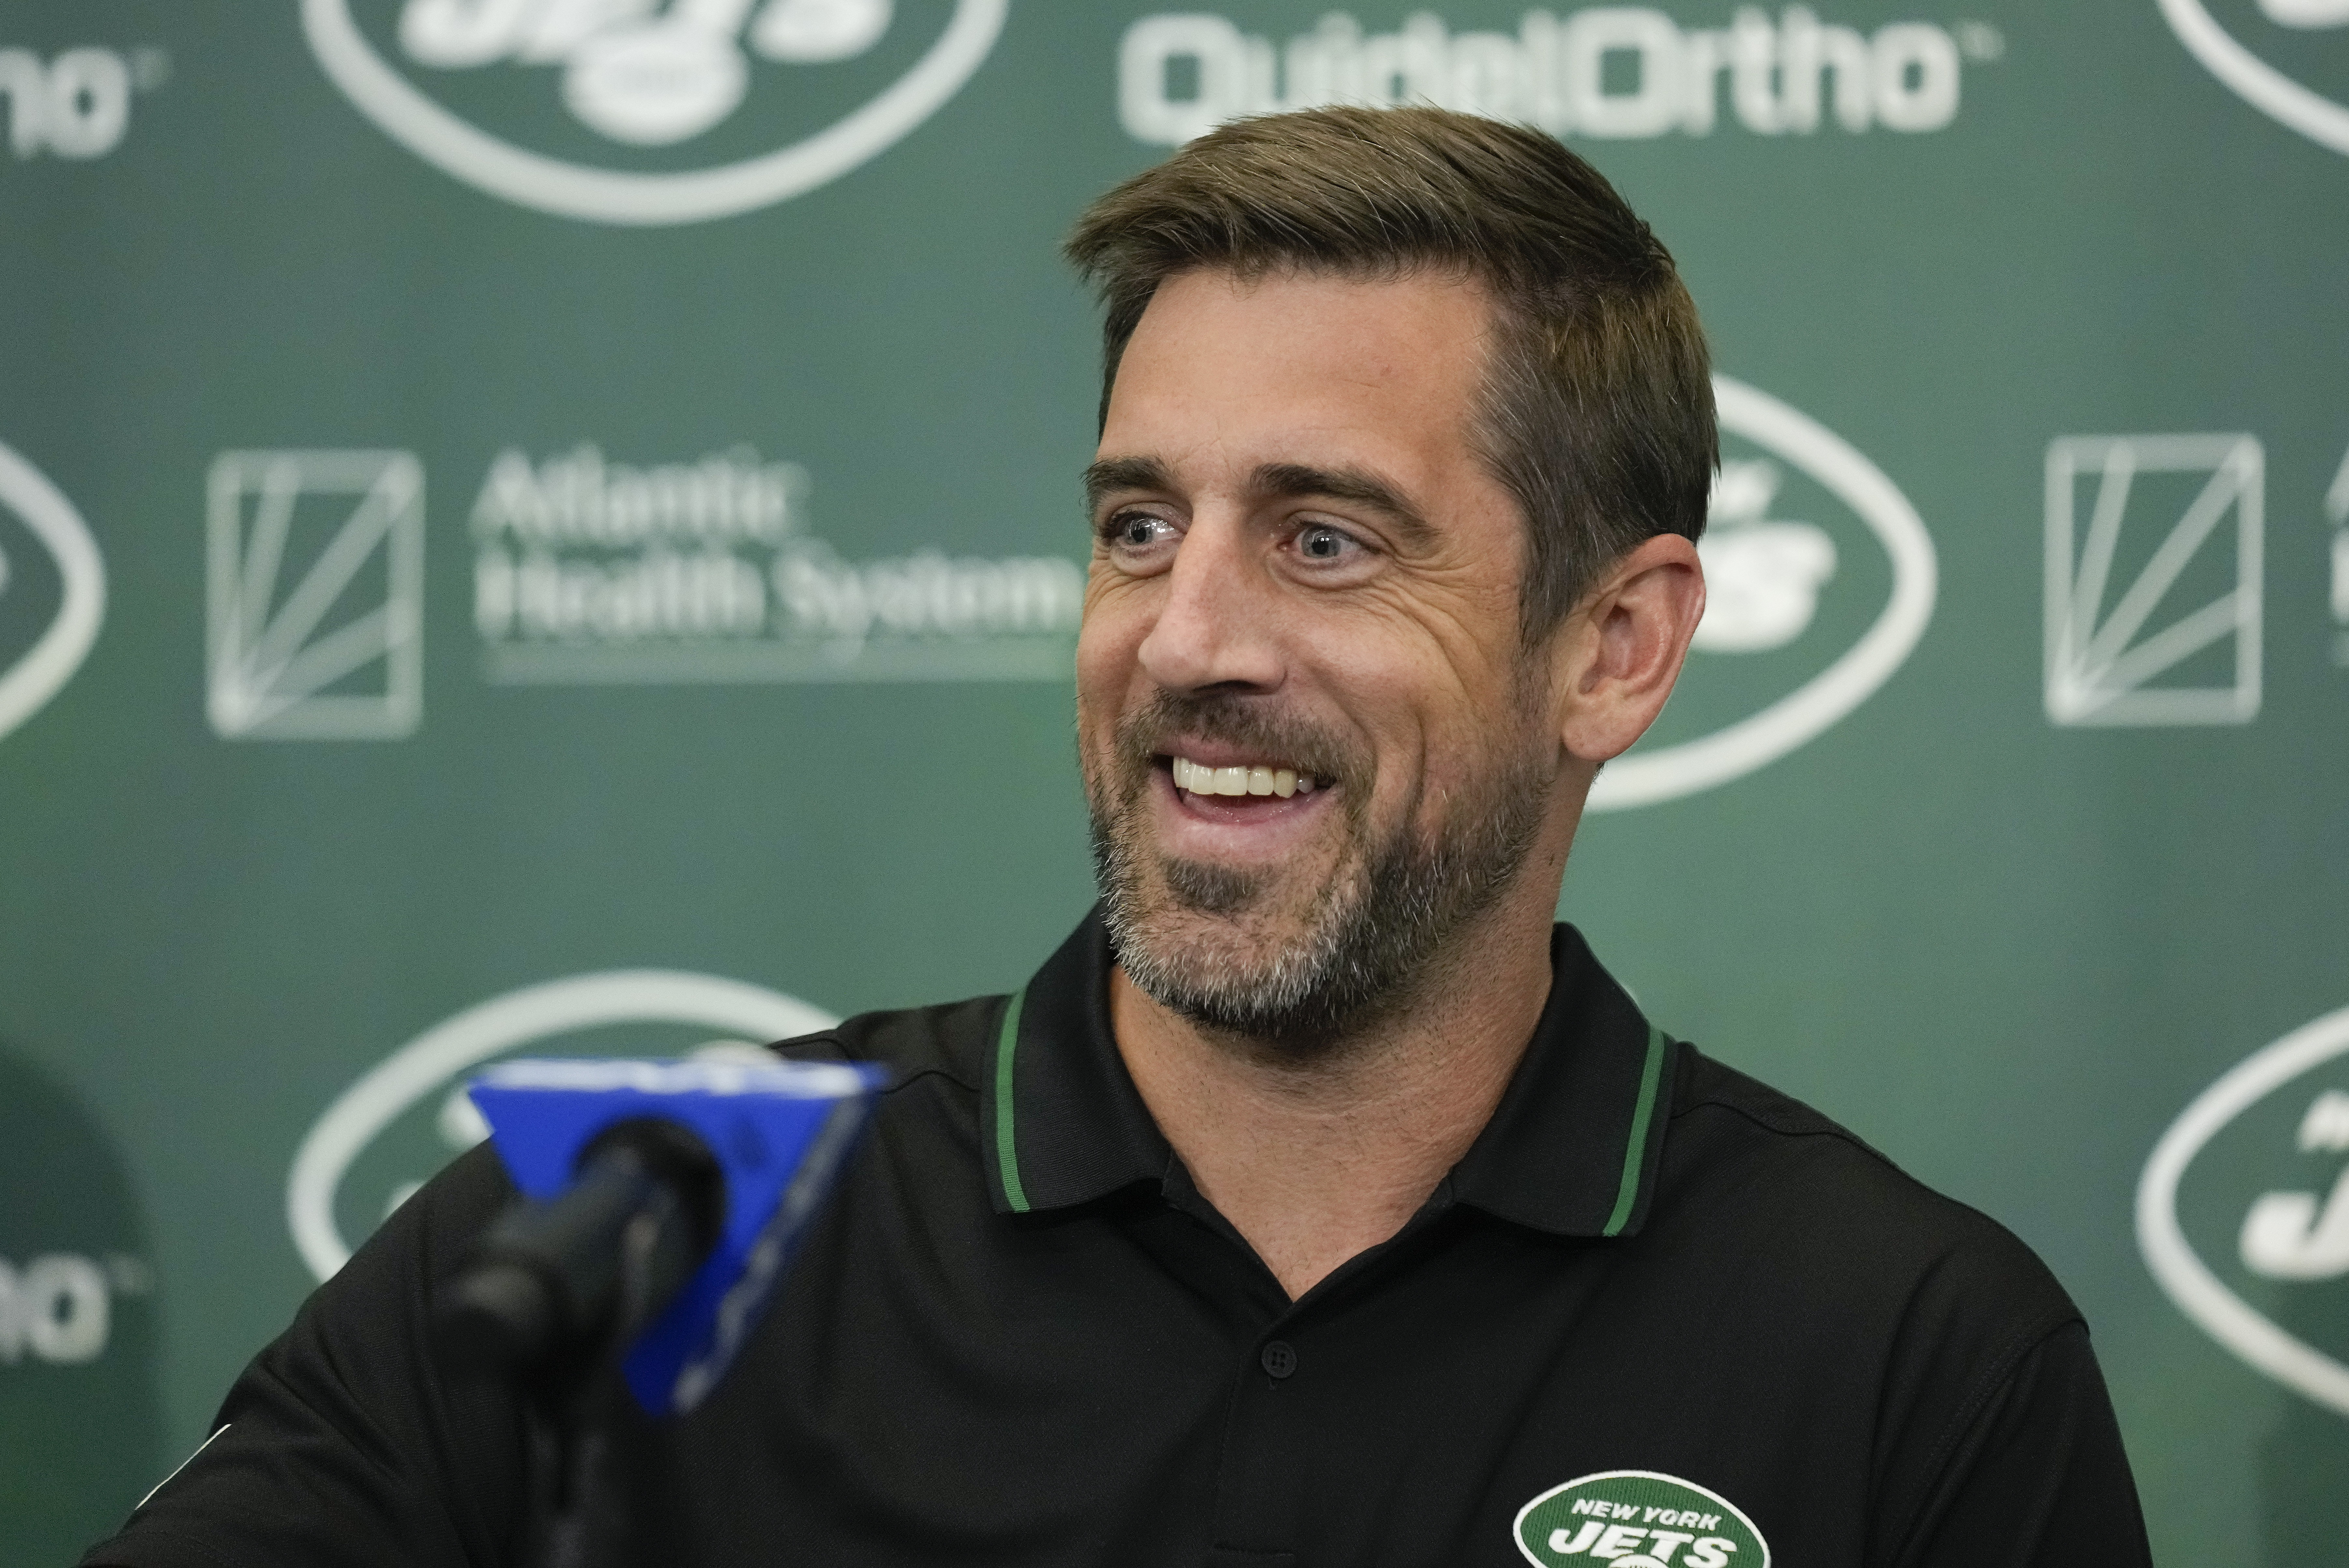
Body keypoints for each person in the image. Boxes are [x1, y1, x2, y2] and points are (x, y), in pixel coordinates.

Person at [85, 107, 2150, 1568]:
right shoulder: (635, 1233)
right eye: (1138, 526)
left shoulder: (1909, 1361)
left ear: (1613, 648)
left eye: (1327, 540)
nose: (1185, 638)